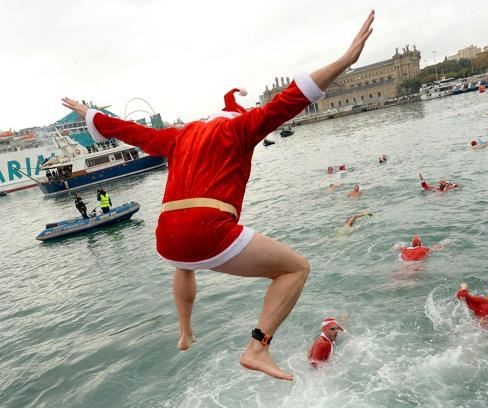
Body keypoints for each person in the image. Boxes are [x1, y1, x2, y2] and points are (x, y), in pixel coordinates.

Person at [61, 10, 376, 381]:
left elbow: (129, 130)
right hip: (206, 228)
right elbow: (290, 99)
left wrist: (90, 113)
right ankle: (259, 346)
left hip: (166, 236)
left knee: (184, 263)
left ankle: (184, 331)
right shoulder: (241, 128)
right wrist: (343, 61)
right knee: (295, 268)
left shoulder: (180, 134)